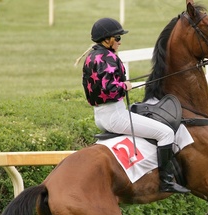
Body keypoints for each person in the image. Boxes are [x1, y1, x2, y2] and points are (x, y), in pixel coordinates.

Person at [81, 17, 189, 194]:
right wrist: (125, 86)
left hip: (101, 115)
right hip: (115, 116)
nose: (120, 42)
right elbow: (108, 89)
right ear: (106, 40)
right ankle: (166, 181)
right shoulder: (107, 57)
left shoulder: (93, 55)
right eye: (117, 38)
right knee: (166, 133)